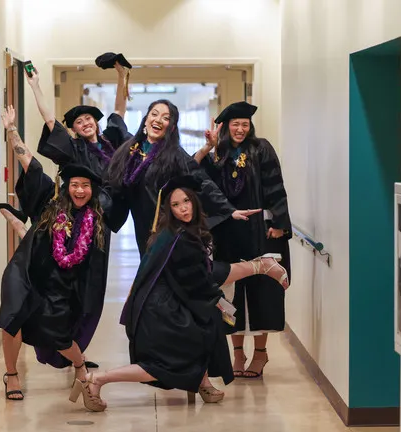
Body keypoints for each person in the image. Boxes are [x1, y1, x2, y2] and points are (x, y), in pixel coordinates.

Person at [69, 176, 289, 412]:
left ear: (194, 201)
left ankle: (202, 382)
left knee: (206, 329)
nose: (183, 208)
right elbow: (208, 276)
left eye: (186, 201)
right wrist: (257, 267)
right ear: (169, 209)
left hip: (164, 305)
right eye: (175, 205)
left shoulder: (174, 233)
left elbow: (197, 279)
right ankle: (96, 379)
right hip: (160, 313)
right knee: (160, 367)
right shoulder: (179, 238)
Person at [0, 124, 112, 401]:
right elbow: (30, 164)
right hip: (25, 271)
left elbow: (91, 268)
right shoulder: (51, 203)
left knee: (59, 334)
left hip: (60, 284)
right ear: (67, 186)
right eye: (74, 185)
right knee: (12, 318)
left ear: (92, 189)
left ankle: (79, 364)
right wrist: (12, 130)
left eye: (85, 186)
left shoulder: (95, 223)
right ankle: (11, 375)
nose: (80, 190)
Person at [193, 101, 292, 379]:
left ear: (250, 127)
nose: (240, 129)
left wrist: (280, 224)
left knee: (263, 291)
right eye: (235, 124)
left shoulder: (261, 148)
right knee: (231, 292)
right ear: (225, 127)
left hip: (261, 231)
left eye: (244, 125)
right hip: (227, 231)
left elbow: (275, 185)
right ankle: (237, 353)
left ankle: (260, 353)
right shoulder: (217, 153)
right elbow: (194, 176)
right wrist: (209, 148)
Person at [104, 99, 260, 256]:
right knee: (148, 269)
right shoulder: (130, 149)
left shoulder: (174, 154)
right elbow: (118, 119)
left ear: (171, 127)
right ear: (146, 120)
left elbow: (200, 179)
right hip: (142, 227)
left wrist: (227, 209)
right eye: (154, 114)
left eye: (165, 118)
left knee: (163, 271)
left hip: (167, 227)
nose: (158, 120)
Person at [25, 56, 131, 178]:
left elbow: (119, 110)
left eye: (88, 118)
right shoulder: (74, 148)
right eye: (79, 122)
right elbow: (49, 120)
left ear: (95, 122)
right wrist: (35, 86)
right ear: (74, 129)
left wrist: (121, 75)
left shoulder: (111, 140)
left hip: (115, 196)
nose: (85, 123)